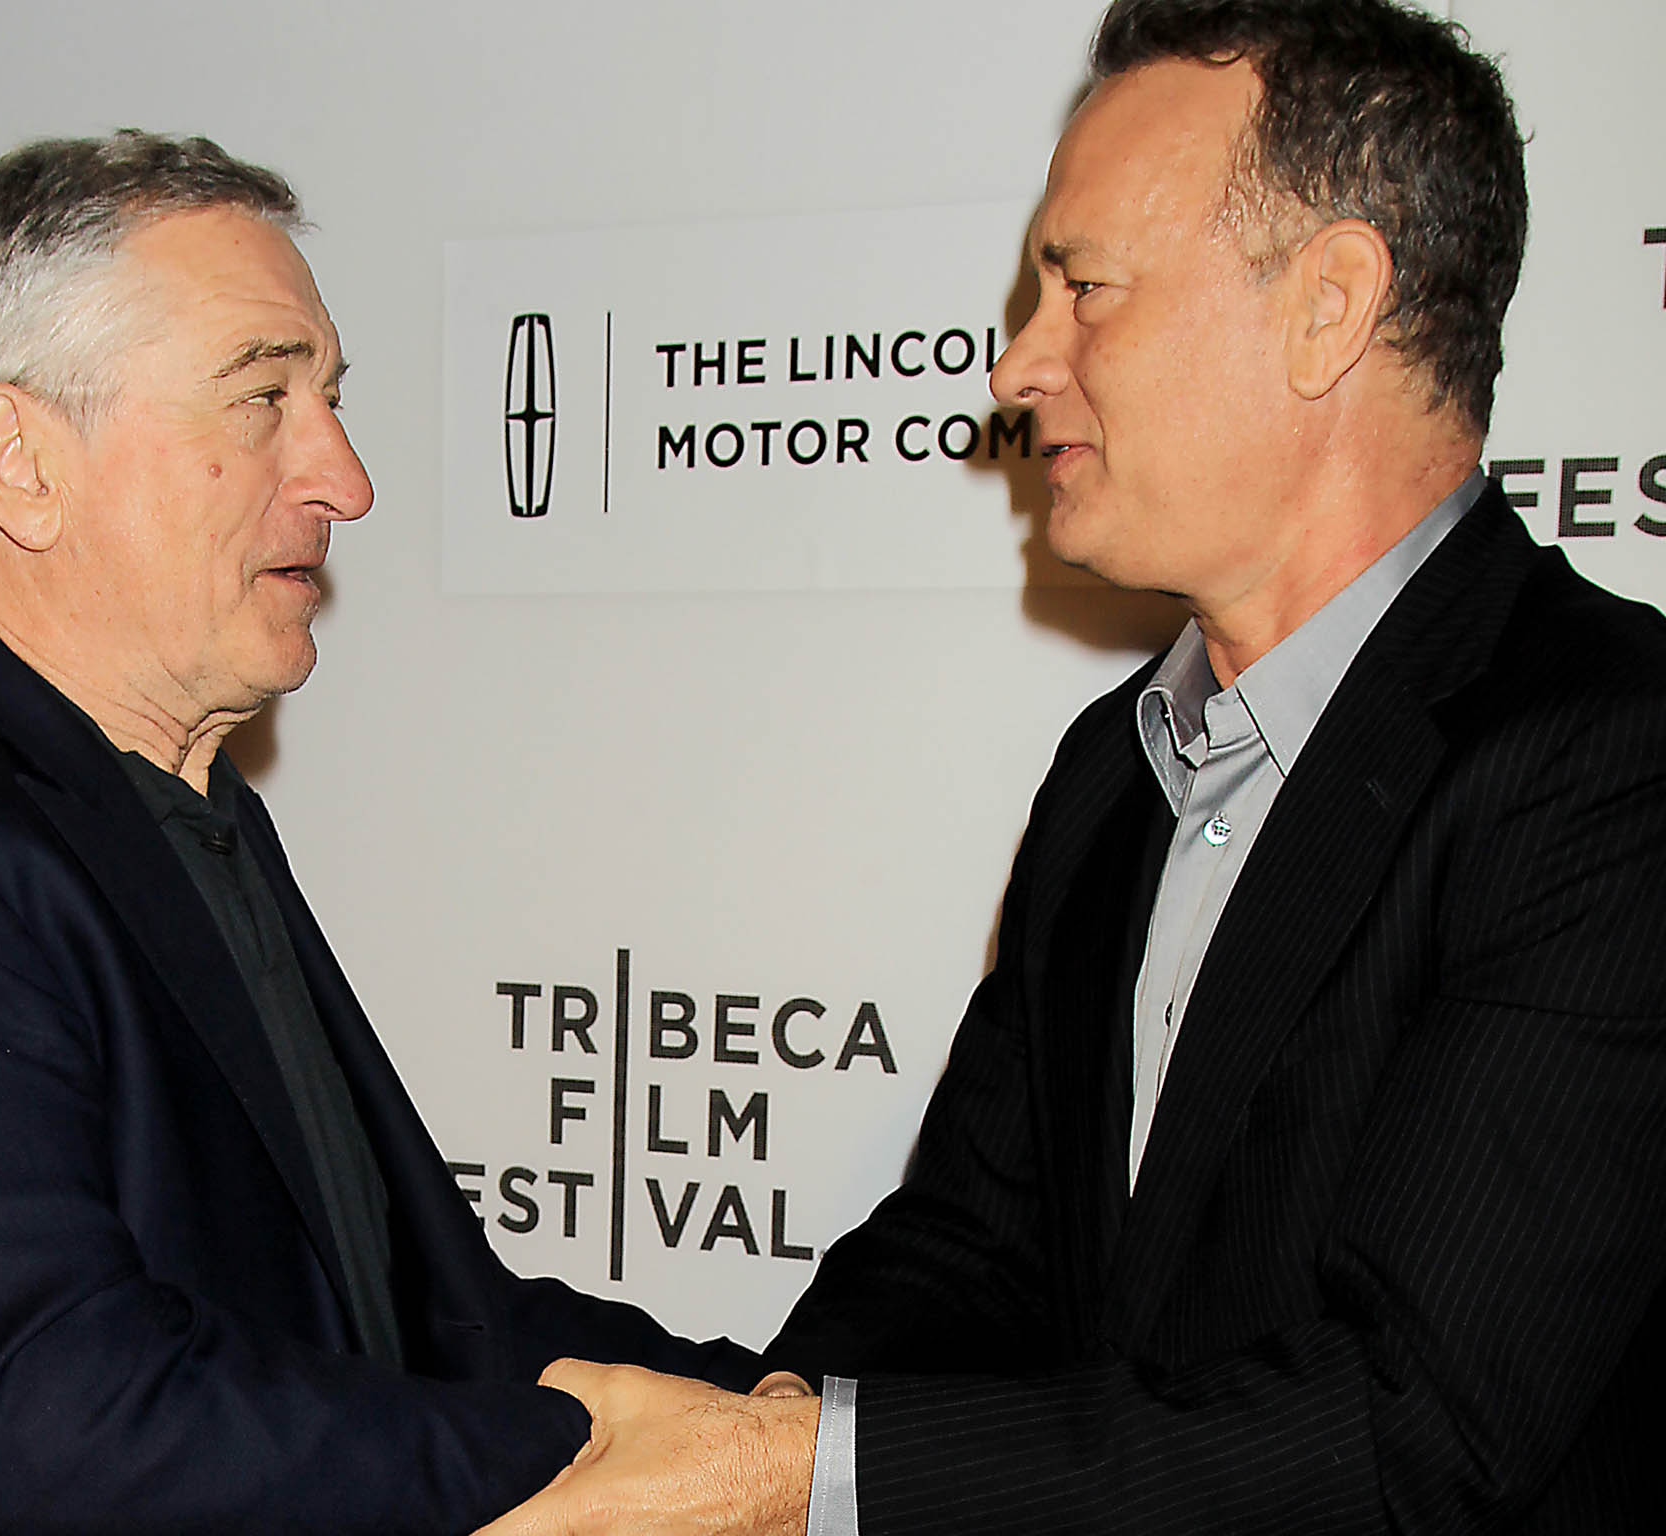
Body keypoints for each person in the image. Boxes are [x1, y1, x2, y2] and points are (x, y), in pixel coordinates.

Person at [477, 1, 1666, 1532]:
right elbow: (970, 1260)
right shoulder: (1118, 766)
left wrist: (798, 1474)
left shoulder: (1607, 764)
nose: (1019, 361)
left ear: (1330, 305)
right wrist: (742, 1437)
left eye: (1083, 285)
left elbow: (1409, 1431)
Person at [0, 131, 761, 1535]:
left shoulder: (184, 817)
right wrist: (619, 1470)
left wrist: (812, 1439)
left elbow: (434, 1317)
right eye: (262, 398)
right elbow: (72, 1431)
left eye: (331, 398)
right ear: (21, 462)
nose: (343, 478)